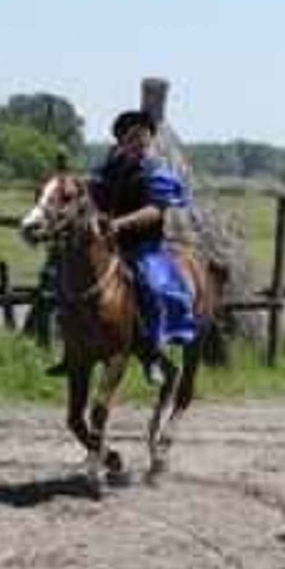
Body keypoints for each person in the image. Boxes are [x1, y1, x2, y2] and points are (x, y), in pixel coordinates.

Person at [88, 109, 197, 386]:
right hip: (105, 247)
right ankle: (73, 349)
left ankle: (153, 354)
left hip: (142, 247)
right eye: (133, 137)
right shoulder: (105, 171)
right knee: (66, 279)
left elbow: (156, 210)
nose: (139, 142)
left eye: (144, 136)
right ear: (122, 141)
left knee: (152, 287)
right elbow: (90, 201)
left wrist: (120, 224)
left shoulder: (156, 172)